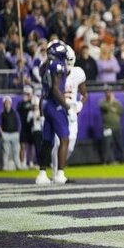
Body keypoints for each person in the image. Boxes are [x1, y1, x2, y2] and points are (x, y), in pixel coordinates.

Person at [35, 40, 70, 185]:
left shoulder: (44, 65)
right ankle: (60, 174)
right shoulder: (58, 65)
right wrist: (67, 106)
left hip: (45, 103)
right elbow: (55, 89)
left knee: (47, 140)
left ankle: (42, 174)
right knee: (64, 139)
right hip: (55, 104)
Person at [51, 45, 87, 176]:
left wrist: (80, 104)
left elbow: (84, 94)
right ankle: (57, 172)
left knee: (70, 147)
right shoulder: (56, 71)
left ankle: (59, 168)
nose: (68, 63)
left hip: (72, 113)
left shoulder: (78, 73)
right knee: (58, 143)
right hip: (59, 110)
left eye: (69, 59)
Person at [99, 88, 124, 164]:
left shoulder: (117, 102)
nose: (109, 94)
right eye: (107, 93)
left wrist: (114, 107)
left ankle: (122, 160)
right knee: (107, 145)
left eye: (110, 92)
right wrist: (111, 103)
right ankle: (106, 161)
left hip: (117, 126)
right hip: (107, 126)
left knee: (119, 144)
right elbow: (104, 107)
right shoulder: (102, 102)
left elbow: (121, 111)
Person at [0, 96, 23, 170]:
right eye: (6, 103)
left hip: (15, 134)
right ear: (4, 104)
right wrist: (2, 134)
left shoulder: (15, 112)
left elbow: (19, 123)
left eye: (8, 102)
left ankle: (18, 166)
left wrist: (18, 132)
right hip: (6, 134)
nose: (7, 104)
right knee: (6, 152)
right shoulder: (2, 113)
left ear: (11, 103)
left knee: (16, 152)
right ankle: (5, 166)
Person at [17, 85, 35, 168]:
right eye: (26, 94)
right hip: (24, 127)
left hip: (31, 127)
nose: (27, 95)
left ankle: (31, 162)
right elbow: (19, 110)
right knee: (23, 146)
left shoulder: (34, 102)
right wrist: (26, 102)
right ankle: (22, 163)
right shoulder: (21, 103)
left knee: (31, 146)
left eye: (28, 94)